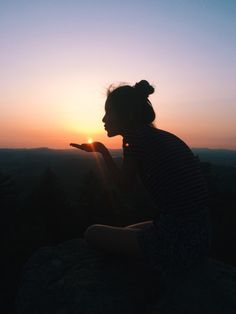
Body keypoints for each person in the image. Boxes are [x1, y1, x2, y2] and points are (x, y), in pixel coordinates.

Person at [70, 80, 211, 278]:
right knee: (126, 230)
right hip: (199, 235)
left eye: (108, 112)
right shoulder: (160, 136)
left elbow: (124, 187)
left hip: (178, 240)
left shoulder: (135, 140)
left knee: (92, 233)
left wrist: (102, 151)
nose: (103, 119)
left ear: (126, 116)